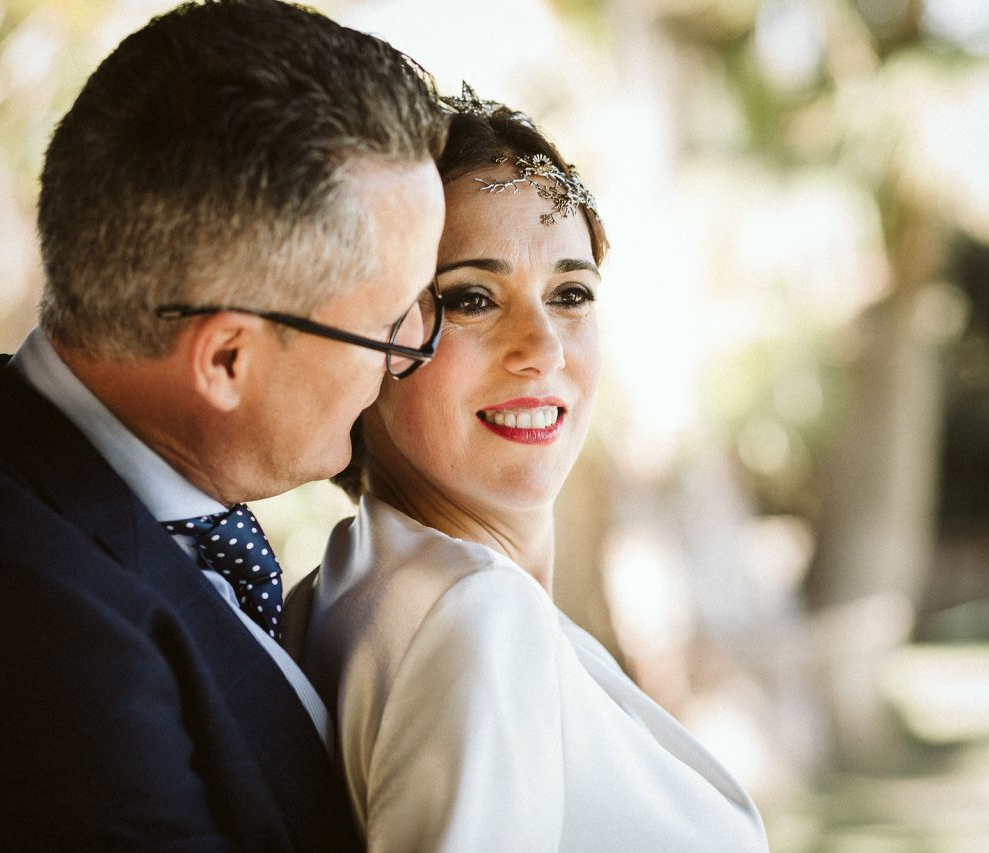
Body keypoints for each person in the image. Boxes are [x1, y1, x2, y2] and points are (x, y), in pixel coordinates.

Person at [0, 1, 447, 849]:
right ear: (225, 361)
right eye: (391, 322)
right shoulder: (13, 632)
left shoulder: (108, 502)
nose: (408, 356)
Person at [289, 87, 769, 852]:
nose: (542, 347)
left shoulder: (347, 589)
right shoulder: (475, 616)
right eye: (474, 297)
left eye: (570, 293)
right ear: (373, 337)